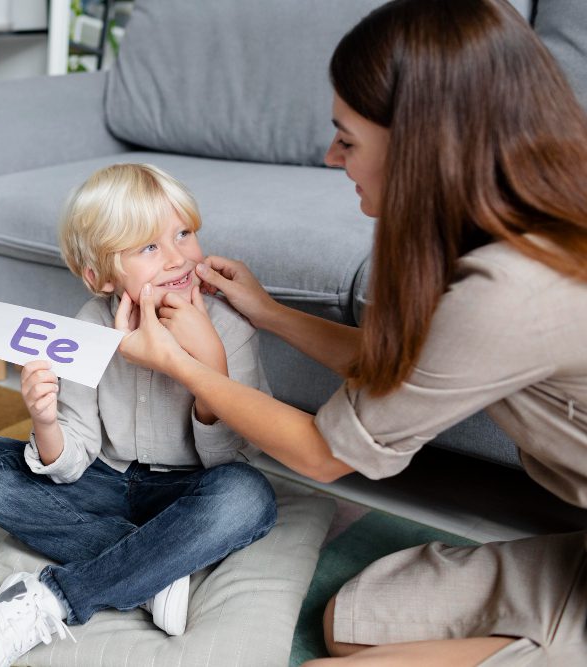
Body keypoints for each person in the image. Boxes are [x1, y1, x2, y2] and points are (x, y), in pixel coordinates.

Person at [113, 1, 587, 665]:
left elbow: (322, 453)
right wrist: (268, 310)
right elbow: (412, 368)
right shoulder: (501, 223)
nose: (332, 156)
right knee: (350, 622)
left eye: (349, 138)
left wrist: (185, 367)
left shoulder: (514, 286)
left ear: (423, 145)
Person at [0, 163, 277, 667]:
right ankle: (153, 569)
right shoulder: (87, 326)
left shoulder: (228, 327)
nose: (176, 257)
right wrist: (45, 422)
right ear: (99, 277)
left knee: (247, 496)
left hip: (189, 490)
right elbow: (74, 457)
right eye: (148, 247)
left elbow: (230, 457)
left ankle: (58, 596)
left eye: (183, 234)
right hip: (105, 479)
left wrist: (207, 363)